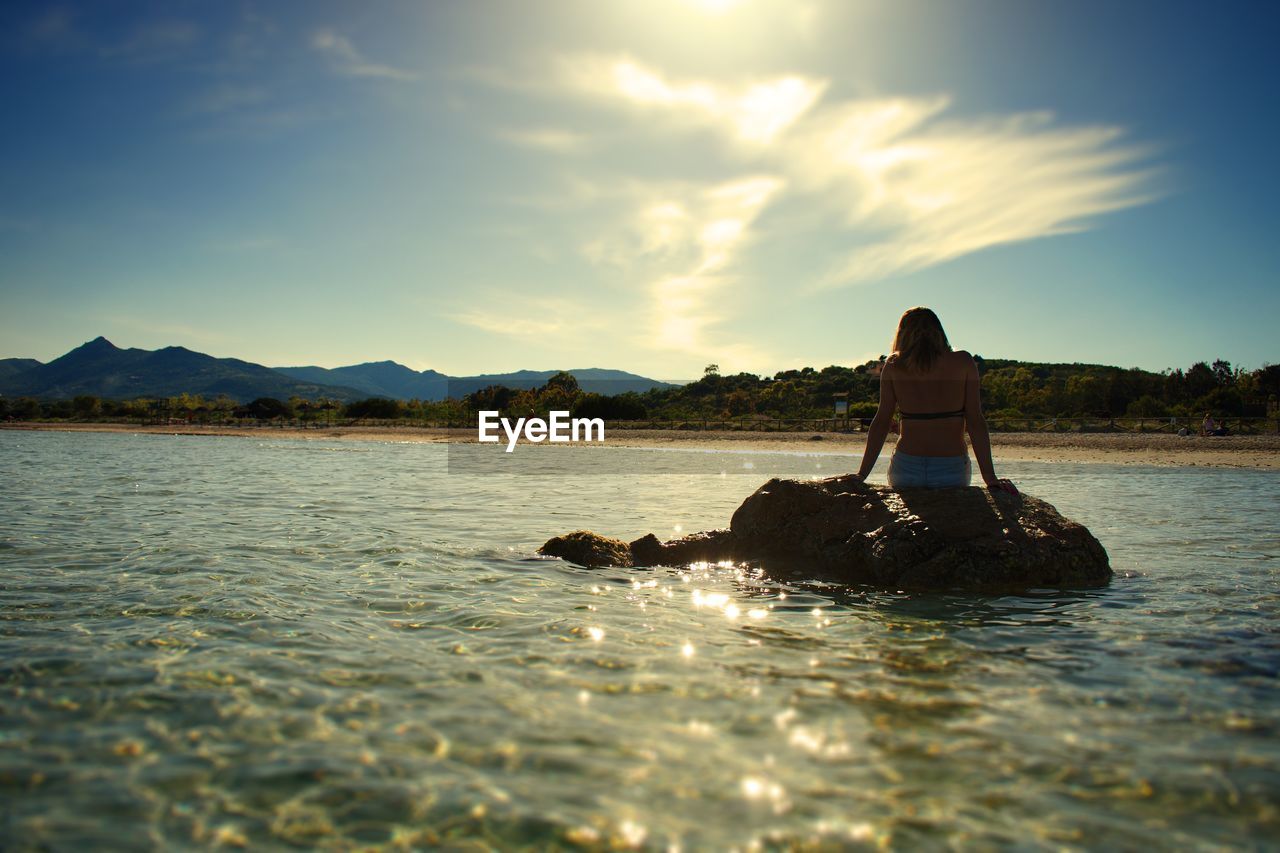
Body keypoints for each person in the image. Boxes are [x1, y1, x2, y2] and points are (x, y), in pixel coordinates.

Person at [851, 307, 1017, 494]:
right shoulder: (963, 361)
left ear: (902, 333)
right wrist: (990, 478)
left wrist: (861, 474)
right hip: (951, 467)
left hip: (906, 466)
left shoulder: (893, 365)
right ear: (939, 330)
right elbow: (975, 421)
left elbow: (881, 421)